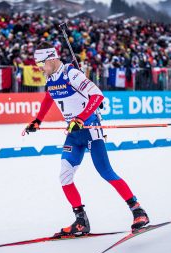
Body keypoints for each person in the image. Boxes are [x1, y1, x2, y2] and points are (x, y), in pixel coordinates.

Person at [25, 41, 149, 235]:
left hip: (90, 129)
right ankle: (81, 221)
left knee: (105, 172)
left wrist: (81, 118)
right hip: (73, 134)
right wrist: (37, 120)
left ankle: (138, 211)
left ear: (51, 59)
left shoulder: (71, 74)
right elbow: (50, 97)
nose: (40, 69)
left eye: (42, 64)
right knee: (65, 176)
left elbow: (97, 96)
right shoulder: (51, 78)